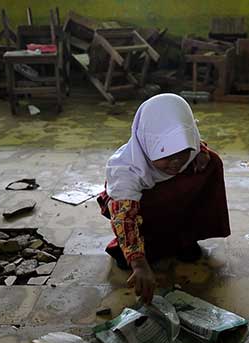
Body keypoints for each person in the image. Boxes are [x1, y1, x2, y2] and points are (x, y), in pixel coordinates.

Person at [97, 93, 231, 304]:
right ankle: (143, 246)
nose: (176, 162)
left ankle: (184, 236)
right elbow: (124, 217)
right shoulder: (124, 169)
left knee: (212, 161)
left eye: (183, 153)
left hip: (170, 207)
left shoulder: (190, 147)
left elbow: (194, 141)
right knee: (128, 256)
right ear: (148, 144)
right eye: (166, 154)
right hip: (139, 209)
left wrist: (199, 152)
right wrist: (138, 263)